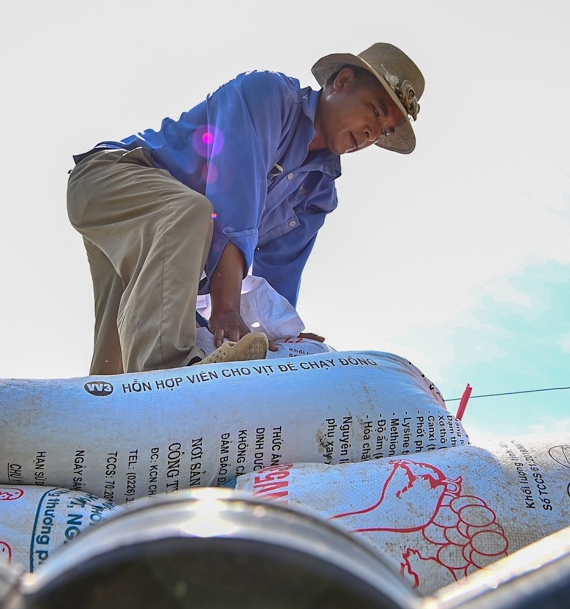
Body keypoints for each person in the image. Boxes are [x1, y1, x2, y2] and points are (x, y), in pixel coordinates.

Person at [68, 43, 425, 375]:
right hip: (112, 177)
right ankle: (171, 382)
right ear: (342, 82)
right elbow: (231, 199)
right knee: (192, 215)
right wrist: (226, 311)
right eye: (375, 112)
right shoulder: (268, 96)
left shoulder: (319, 192)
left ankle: (105, 415)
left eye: (384, 131)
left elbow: (277, 280)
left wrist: (287, 339)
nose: (371, 134)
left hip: (160, 243)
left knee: (119, 349)